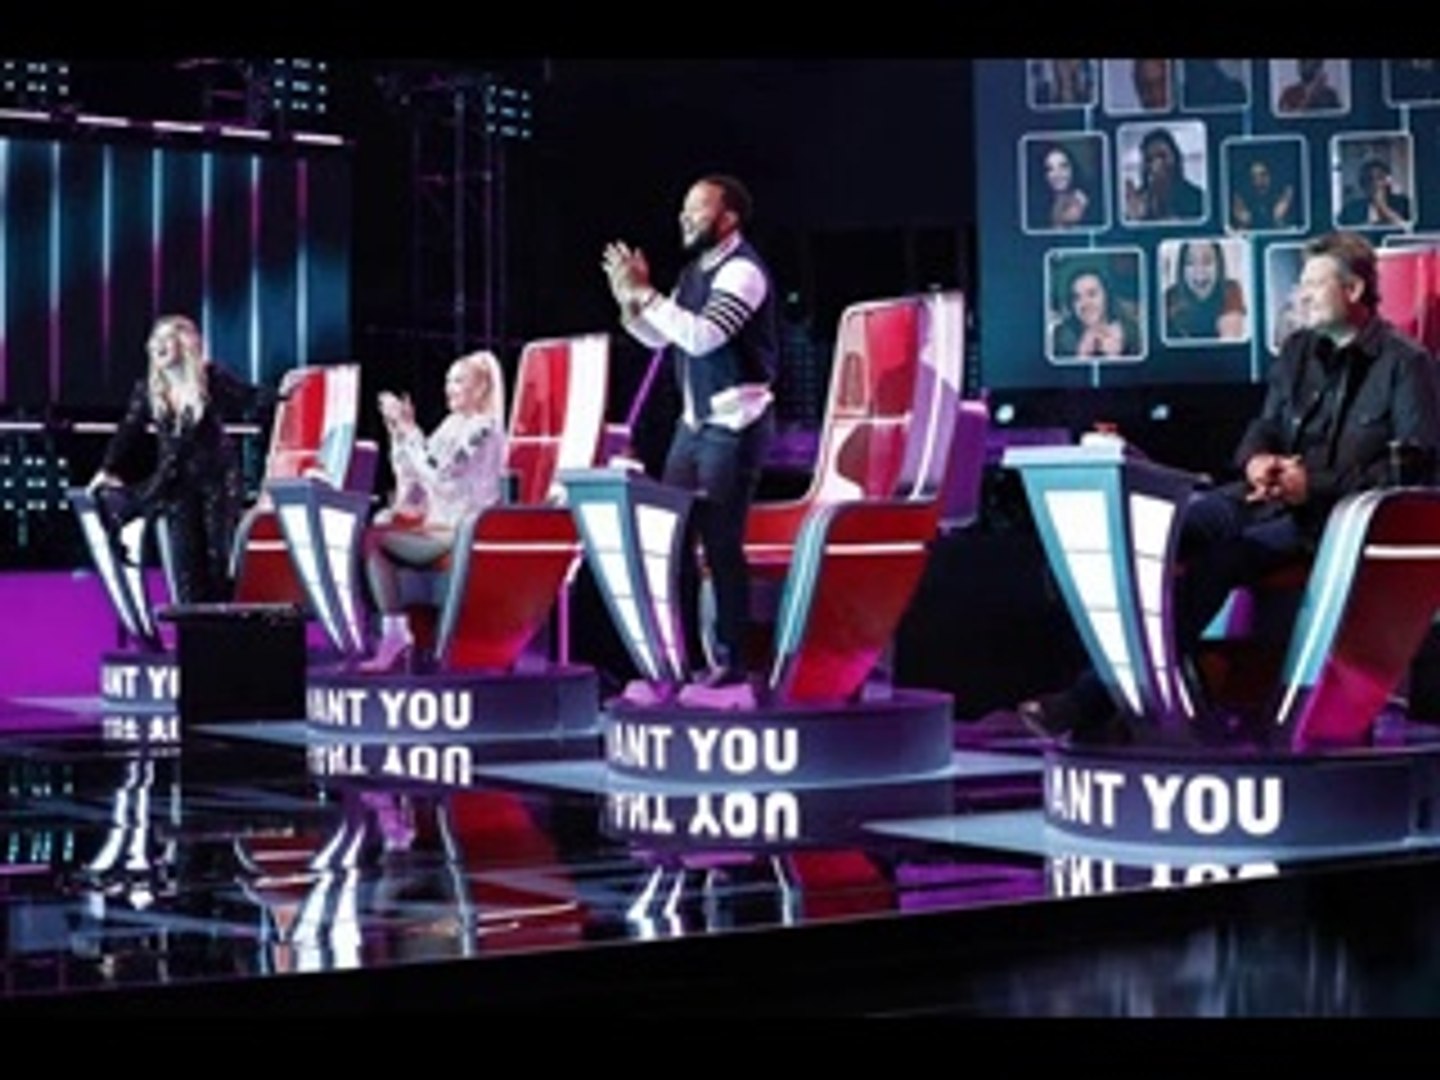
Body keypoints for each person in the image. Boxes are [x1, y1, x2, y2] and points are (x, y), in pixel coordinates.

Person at [1021, 230, 1440, 745]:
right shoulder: (1299, 350)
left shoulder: (1405, 364)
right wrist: (1256, 460)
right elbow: (1264, 426)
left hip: (1327, 522)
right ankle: (1117, 702)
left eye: (1314, 284)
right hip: (1258, 498)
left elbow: (1411, 473)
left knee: (1222, 562)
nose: (1302, 295)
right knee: (1151, 535)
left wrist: (1313, 486)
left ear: (1353, 290)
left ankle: (1089, 699)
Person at [602, 173, 779, 708]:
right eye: (685, 208)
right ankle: (677, 665)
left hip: (734, 422)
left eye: (698, 209)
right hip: (693, 426)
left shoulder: (743, 270)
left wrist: (647, 294)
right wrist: (629, 303)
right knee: (674, 543)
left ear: (729, 218)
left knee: (720, 543)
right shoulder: (692, 272)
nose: (685, 217)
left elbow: (702, 338)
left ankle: (731, 667)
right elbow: (660, 337)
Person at [87, 314, 283, 605]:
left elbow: (249, 398)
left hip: (218, 481)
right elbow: (128, 431)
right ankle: (192, 626)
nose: (159, 346)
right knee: (186, 563)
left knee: (218, 560)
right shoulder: (148, 389)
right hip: (176, 484)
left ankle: (221, 623)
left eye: (167, 339)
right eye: (155, 340)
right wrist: (106, 469)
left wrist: (286, 395)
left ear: (184, 344)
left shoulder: (209, 379)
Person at [359, 351, 507, 672]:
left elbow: (441, 474)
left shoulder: (483, 429)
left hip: (462, 531)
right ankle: (395, 634)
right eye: (447, 381)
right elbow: (414, 475)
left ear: (481, 388)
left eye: (458, 381)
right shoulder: (452, 424)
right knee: (379, 524)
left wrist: (410, 430)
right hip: (437, 525)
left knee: (374, 540)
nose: (449, 388)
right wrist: (398, 431)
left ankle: (395, 636)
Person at [1050, 263, 1142, 359]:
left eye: (1092, 294)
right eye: (1077, 298)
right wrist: (1081, 356)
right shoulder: (1062, 337)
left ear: (1107, 296)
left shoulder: (1131, 332)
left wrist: (1118, 358)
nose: (1085, 303)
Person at [1164, 240, 1248, 340]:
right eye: (1190, 262)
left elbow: (1231, 338)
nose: (1199, 271)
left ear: (1219, 266)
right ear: (1182, 269)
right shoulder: (1170, 296)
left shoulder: (1230, 289)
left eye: (1207, 261)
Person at [1124, 127, 1205, 223]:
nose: (1156, 164)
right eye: (1149, 159)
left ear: (1175, 158)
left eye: (1162, 156)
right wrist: (1134, 219)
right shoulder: (1138, 201)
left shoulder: (1197, 198)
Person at [1030, 141, 1099, 230]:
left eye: (1063, 166)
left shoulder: (1086, 200)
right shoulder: (1036, 207)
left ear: (1073, 169)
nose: (1057, 174)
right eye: (1049, 169)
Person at [1338, 158, 1413, 228]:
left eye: (1379, 178)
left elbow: (1407, 228)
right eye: (1369, 179)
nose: (1375, 183)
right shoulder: (1351, 209)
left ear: (1388, 181)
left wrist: (1382, 206)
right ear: (1363, 184)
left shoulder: (1402, 203)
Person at [1230, 157, 1296, 232]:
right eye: (1253, 177)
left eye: (1263, 175)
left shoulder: (1284, 195)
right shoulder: (1242, 200)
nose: (1259, 180)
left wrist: (1280, 218)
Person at [1277, 59, 1342, 112]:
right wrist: (1311, 95)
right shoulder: (1289, 93)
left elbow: (1338, 118)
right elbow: (1289, 119)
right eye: (1303, 62)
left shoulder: (1329, 95)